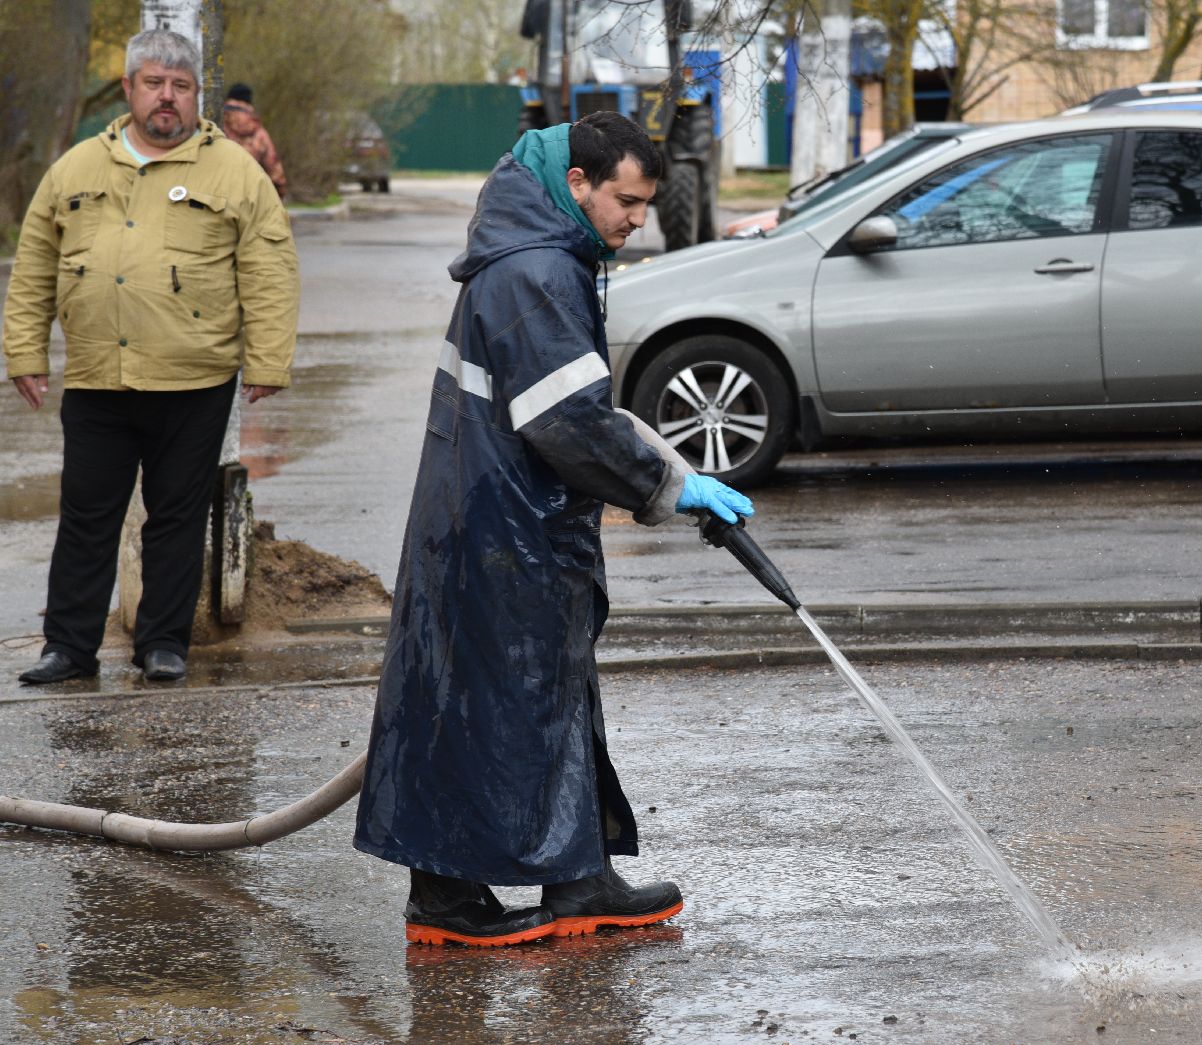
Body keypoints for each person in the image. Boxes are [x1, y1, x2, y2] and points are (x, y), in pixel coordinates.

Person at [351, 112, 754, 947]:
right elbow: (568, 421)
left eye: (644, 205)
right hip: (511, 524)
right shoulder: (539, 270)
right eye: (628, 202)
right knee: (530, 697)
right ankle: (554, 886)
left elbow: (569, 404)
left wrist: (668, 474)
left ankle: (491, 889)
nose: (638, 220)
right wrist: (663, 491)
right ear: (578, 185)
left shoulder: (532, 252)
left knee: (475, 701)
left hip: (485, 512)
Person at [2, 29, 298, 685]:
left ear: (197, 95)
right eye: (155, 84)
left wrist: (268, 360)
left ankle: (163, 645)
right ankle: (69, 648)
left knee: (176, 515)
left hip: (195, 378)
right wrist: (24, 349)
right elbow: (33, 268)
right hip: (97, 376)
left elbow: (270, 268)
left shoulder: (235, 172)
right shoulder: (75, 168)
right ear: (131, 88)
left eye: (181, 86)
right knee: (86, 516)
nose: (168, 98)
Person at [219, 82, 288, 199]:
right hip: (248, 198)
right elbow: (274, 169)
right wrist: (279, 193)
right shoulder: (258, 132)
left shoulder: (215, 124)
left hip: (216, 195)